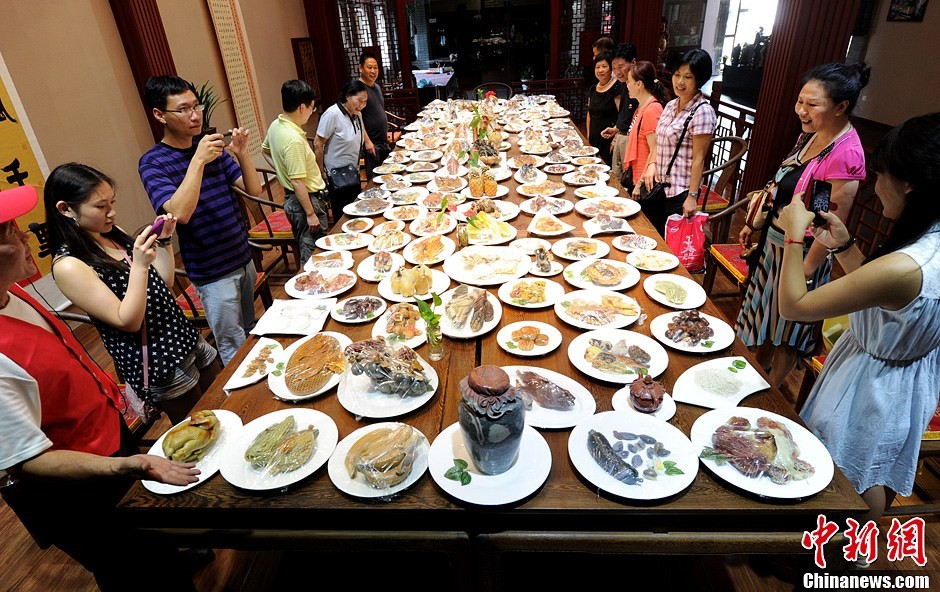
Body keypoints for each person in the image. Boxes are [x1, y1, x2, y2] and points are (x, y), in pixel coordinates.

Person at [0, 185, 201, 591]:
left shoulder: (14, 292)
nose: (25, 239)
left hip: (111, 435)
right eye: (10, 234)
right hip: (80, 484)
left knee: (152, 539)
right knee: (126, 567)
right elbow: (26, 459)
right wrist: (127, 465)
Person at [777, 112, 940, 531]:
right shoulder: (928, 244)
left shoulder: (908, 265)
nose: (875, 184)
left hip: (873, 378)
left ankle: (833, 555)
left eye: (881, 174)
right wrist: (845, 246)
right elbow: (892, 299)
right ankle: (845, 551)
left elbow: (794, 305)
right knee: (880, 459)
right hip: (908, 371)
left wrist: (795, 235)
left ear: (909, 183)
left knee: (855, 463)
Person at [45, 163, 219, 424]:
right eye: (100, 207)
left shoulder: (113, 235)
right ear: (65, 209)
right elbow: (127, 321)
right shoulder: (69, 265)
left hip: (184, 336)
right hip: (159, 360)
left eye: (112, 203)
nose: (111, 213)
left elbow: (164, 282)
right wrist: (138, 265)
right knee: (200, 428)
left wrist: (164, 241)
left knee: (220, 403)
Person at [735, 63, 869, 389]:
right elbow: (783, 183)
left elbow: (828, 223)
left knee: (788, 330)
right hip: (775, 244)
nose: (802, 111)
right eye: (800, 102)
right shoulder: (810, 136)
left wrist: (805, 272)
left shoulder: (845, 155)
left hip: (802, 253)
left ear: (841, 106)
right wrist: (757, 222)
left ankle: (771, 393)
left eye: (812, 105)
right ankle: (755, 372)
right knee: (768, 318)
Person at [139, 75, 261, 366]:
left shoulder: (211, 149)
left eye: (197, 106)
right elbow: (179, 214)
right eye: (183, 109)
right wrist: (197, 160)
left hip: (243, 257)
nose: (194, 115)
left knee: (252, 332)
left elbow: (254, 190)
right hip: (212, 271)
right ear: (160, 115)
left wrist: (242, 153)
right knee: (233, 349)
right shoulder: (153, 162)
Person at [642, 48, 717, 236]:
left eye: (688, 77)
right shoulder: (670, 105)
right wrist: (649, 167)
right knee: (652, 237)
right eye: (677, 75)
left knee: (670, 247)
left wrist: (692, 197)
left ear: (699, 79)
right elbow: (658, 142)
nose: (680, 82)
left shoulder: (702, 112)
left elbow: (699, 159)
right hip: (659, 188)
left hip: (680, 192)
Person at [262, 80, 329, 263]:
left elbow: (265, 150)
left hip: (292, 199)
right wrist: (310, 213)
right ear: (302, 107)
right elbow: (298, 182)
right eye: (311, 108)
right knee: (313, 253)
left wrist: (281, 171)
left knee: (305, 244)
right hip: (305, 201)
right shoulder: (293, 140)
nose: (311, 112)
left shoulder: (277, 125)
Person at [314, 79, 368, 219]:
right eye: (359, 100)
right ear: (348, 96)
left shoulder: (357, 114)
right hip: (337, 175)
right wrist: (321, 171)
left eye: (365, 101)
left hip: (353, 171)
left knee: (357, 211)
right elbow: (318, 143)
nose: (362, 105)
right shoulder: (332, 114)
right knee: (343, 217)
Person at [622, 60, 670, 197]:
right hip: (637, 174)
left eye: (628, 82)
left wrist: (639, 183)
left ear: (639, 84)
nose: (627, 85)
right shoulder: (641, 107)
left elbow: (655, 149)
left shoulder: (652, 109)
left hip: (646, 181)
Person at [600, 43, 638, 182]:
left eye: (621, 66)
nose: (617, 72)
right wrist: (616, 129)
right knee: (617, 179)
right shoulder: (623, 84)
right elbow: (624, 113)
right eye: (614, 68)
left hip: (631, 142)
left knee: (626, 181)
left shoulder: (639, 86)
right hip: (621, 137)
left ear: (633, 62)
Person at [586, 51, 622, 167]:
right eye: (597, 67)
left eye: (604, 66)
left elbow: (622, 115)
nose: (600, 70)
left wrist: (616, 136)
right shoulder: (593, 89)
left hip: (608, 138)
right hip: (594, 136)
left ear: (611, 69)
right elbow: (589, 114)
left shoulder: (617, 88)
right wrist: (588, 136)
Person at [358, 52, 391, 180]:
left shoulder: (376, 86)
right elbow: (357, 118)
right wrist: (367, 141)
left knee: (387, 174)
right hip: (372, 143)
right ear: (361, 68)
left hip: (383, 140)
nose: (373, 71)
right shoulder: (359, 89)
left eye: (375, 67)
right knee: (375, 178)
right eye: (369, 67)